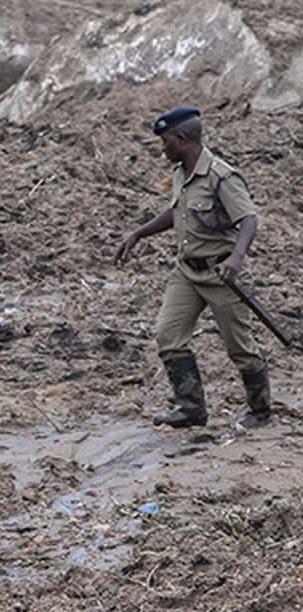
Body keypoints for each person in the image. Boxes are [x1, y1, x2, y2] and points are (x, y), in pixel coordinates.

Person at [117, 107, 271, 428]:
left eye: (165, 142)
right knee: (168, 336)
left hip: (220, 275)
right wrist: (139, 233)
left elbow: (248, 219)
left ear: (182, 139)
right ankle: (191, 408)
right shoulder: (180, 173)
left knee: (239, 347)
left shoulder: (221, 176)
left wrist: (237, 258)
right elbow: (177, 212)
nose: (162, 149)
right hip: (186, 272)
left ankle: (260, 411)